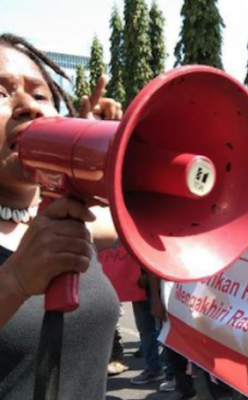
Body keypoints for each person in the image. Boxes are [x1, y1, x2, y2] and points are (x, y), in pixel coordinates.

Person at [0, 33, 123, 399]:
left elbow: (138, 216)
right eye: (0, 93)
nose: (28, 106)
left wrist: (88, 154)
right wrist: (16, 280)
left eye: (41, 96)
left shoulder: (72, 218)